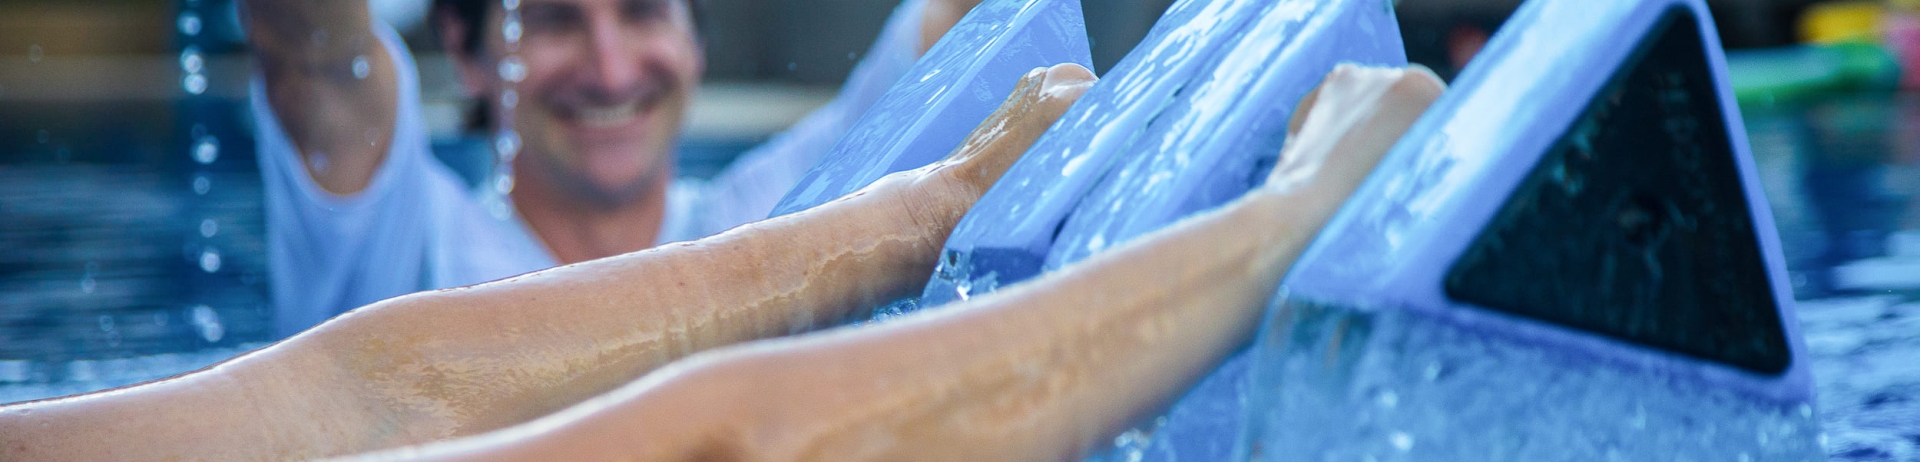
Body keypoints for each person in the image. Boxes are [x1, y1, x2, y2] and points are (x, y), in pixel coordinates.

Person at [0, 64, 1443, 461]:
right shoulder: (412, 219)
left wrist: (914, 209)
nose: (614, 63)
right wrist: (1284, 224)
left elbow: (374, 399)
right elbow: (728, 446)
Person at [246, 0, 986, 336]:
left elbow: (968, 31)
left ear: (694, 38)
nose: (609, 69)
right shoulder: (406, 255)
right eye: (553, 21)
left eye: (641, 12)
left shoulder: (773, 215)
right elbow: (313, 57)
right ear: (467, 52)